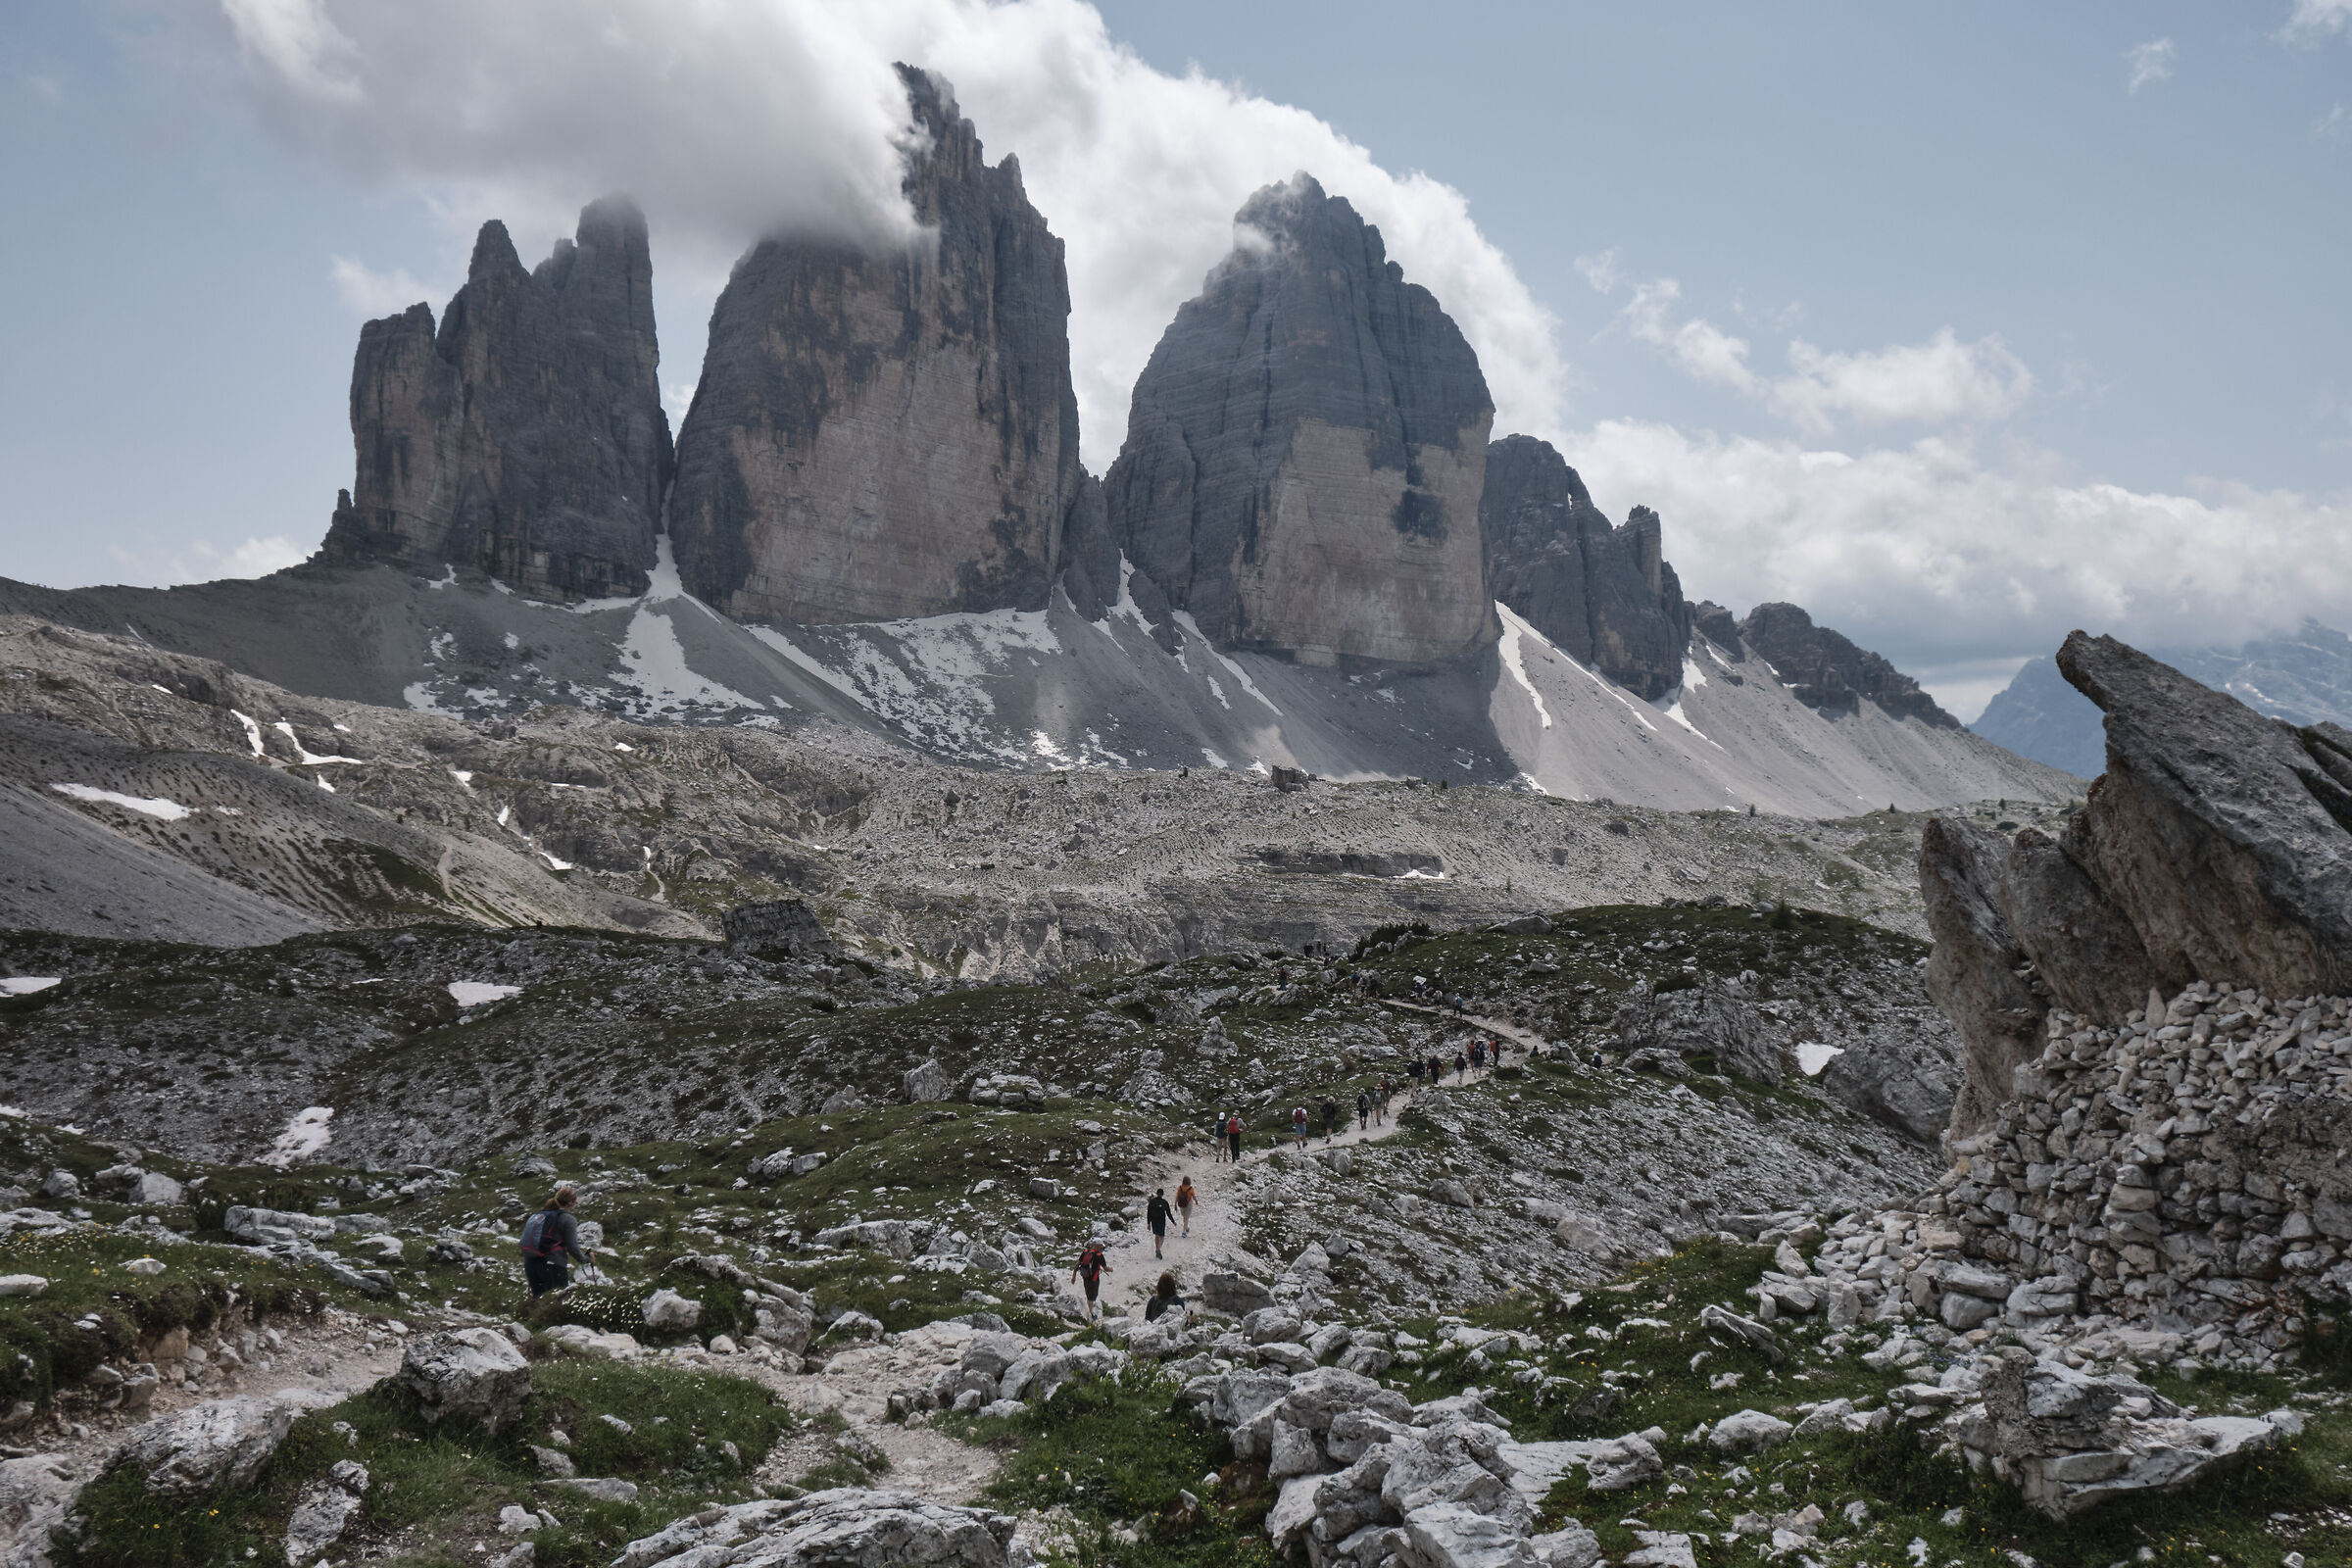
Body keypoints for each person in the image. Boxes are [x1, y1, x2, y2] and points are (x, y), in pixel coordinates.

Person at [519, 1184, 593, 1298]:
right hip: (553, 1265)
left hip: (531, 1264)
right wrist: (586, 1259)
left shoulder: (539, 1215)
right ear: (571, 1202)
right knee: (559, 1301)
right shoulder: (568, 1219)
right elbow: (572, 1247)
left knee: (538, 1302)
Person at [1071, 1239, 1110, 1320]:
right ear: (1097, 1245)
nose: (1102, 1248)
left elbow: (1077, 1264)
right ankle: (1091, 1314)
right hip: (1094, 1279)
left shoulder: (1085, 1252)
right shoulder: (1099, 1255)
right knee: (1092, 1296)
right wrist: (1111, 1269)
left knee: (1088, 1294)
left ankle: (1090, 1311)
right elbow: (1105, 1268)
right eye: (1101, 1246)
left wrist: (1074, 1276)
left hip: (1085, 1276)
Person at [1147, 1187, 1174, 1258]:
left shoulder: (1152, 1202)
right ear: (1162, 1194)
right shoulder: (1164, 1202)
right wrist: (1173, 1221)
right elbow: (1168, 1213)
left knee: (1157, 1235)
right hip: (1161, 1221)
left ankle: (1157, 1249)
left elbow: (1149, 1212)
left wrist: (1148, 1223)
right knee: (1161, 1236)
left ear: (1157, 1193)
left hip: (1154, 1221)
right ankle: (1158, 1249)